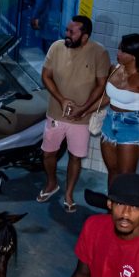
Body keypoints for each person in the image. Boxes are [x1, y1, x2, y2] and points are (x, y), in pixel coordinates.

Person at [36, 15, 110, 213]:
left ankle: (69, 193)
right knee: (48, 153)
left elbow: (101, 85)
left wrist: (83, 108)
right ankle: (52, 184)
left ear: (84, 36)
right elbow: (46, 76)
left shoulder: (99, 53)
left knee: (75, 157)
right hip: (55, 114)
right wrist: (61, 99)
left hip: (81, 119)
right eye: (67, 30)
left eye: (71, 32)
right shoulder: (56, 47)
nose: (66, 35)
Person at [100, 34, 139, 188]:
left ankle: (124, 211)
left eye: (122, 51)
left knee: (126, 176)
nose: (118, 53)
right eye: (118, 49)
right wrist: (83, 110)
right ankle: (112, 209)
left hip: (132, 125)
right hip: (109, 121)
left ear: (134, 56)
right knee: (113, 171)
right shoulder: (114, 68)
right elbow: (106, 98)